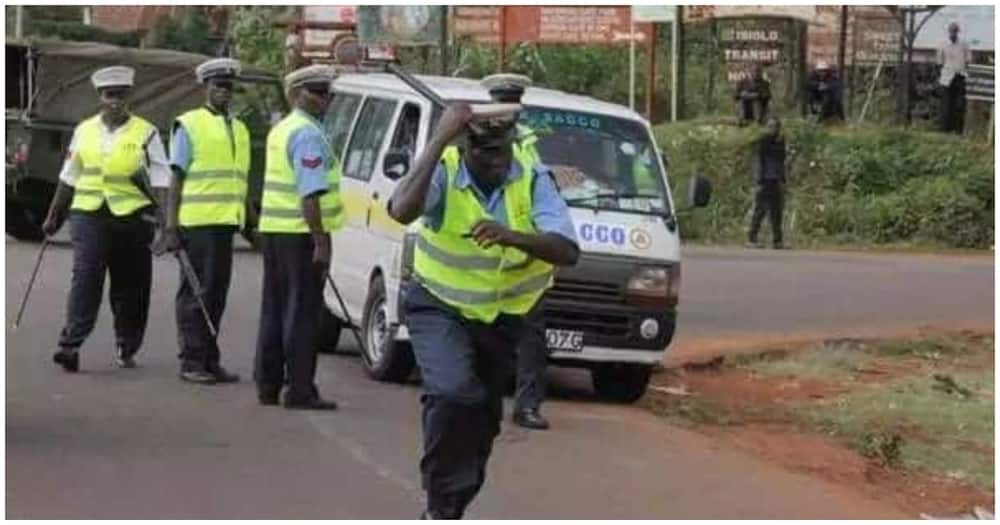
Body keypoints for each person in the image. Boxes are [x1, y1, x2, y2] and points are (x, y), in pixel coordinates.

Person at [387, 104, 579, 518]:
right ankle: (439, 505)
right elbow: (401, 210)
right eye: (484, 153)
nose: (495, 162)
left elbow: (567, 250)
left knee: (482, 423)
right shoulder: (445, 171)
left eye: (502, 151)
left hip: (502, 321)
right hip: (439, 305)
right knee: (453, 392)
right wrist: (438, 140)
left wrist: (511, 236)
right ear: (464, 148)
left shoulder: (530, 176)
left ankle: (449, 507)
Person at [41, 66, 171, 372]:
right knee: (86, 277)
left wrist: (167, 223)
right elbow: (69, 175)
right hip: (88, 215)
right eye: (109, 95)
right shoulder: (84, 130)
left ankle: (127, 344)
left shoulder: (146, 132)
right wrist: (53, 215)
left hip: (133, 218)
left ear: (130, 96)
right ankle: (70, 345)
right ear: (100, 96)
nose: (115, 100)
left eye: (121, 95)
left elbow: (162, 177)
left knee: (131, 286)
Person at [253, 65, 345, 410]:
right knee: (302, 314)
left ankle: (268, 384)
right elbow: (310, 194)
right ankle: (300, 389)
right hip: (299, 234)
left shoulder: (283, 128)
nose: (325, 100)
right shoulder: (307, 134)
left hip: (276, 231)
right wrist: (321, 242)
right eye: (317, 93)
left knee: (274, 310)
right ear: (298, 94)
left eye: (327, 93)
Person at [159, 58, 254, 384]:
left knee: (216, 294)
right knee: (196, 294)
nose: (223, 92)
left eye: (228, 87)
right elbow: (176, 178)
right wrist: (170, 226)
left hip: (226, 223)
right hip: (197, 223)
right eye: (217, 86)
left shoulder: (239, 128)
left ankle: (209, 360)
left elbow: (238, 179)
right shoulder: (190, 124)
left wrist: (251, 221)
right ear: (205, 87)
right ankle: (191, 361)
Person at [481, 73, 551, 430]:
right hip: (483, 253)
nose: (510, 110)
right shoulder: (475, 138)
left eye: (514, 104)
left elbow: (541, 187)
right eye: (503, 103)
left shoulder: (528, 143)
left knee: (530, 339)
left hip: (524, 256)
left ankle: (527, 405)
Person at [747, 117, 787, 250]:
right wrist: (758, 180)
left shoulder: (780, 142)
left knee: (777, 211)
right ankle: (752, 238)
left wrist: (783, 179)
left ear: (778, 128)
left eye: (774, 126)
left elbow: (781, 162)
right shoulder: (763, 141)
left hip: (776, 179)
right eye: (769, 126)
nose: (771, 129)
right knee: (760, 210)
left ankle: (777, 240)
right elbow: (758, 161)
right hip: (765, 179)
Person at [938, 22, 971, 134]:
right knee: (946, 104)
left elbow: (968, 60)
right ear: (948, 32)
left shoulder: (964, 44)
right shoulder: (943, 44)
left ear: (958, 32)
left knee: (959, 104)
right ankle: (945, 129)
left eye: (955, 31)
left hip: (960, 76)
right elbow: (940, 61)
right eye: (951, 31)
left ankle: (958, 130)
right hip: (946, 77)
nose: (953, 34)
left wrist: (961, 70)